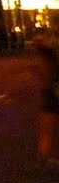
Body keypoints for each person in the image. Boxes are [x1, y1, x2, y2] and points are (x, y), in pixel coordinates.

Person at [33, 29, 58, 165]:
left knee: (47, 130)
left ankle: (43, 160)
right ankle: (43, 160)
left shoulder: (48, 49)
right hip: (51, 91)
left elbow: (39, 43)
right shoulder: (50, 49)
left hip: (49, 91)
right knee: (47, 130)